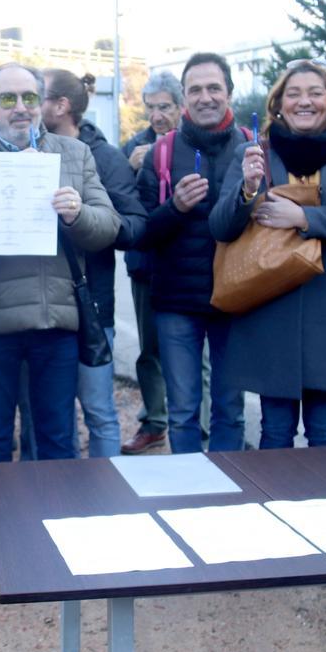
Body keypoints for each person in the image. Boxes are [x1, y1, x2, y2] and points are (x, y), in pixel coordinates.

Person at [0, 62, 120, 593]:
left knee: (57, 437)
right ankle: (1, 549)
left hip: (54, 318)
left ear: (43, 103)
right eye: (8, 99)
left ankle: (55, 542)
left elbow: (107, 226)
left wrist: (76, 211)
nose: (20, 109)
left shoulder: (74, 154)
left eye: (28, 98)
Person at [209, 60, 326, 448]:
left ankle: (324, 509)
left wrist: (305, 217)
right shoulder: (255, 152)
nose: (304, 101)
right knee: (274, 430)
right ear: (278, 104)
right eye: (294, 94)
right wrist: (247, 190)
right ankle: (275, 506)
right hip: (271, 309)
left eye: (315, 93)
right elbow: (220, 228)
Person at [137, 53, 248, 453]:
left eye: (214, 88)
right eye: (196, 89)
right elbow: (142, 232)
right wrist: (175, 208)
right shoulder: (161, 153)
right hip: (176, 303)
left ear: (230, 93)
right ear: (184, 97)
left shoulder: (252, 148)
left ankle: (230, 497)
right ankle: (187, 494)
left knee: (230, 410)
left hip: (236, 299)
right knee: (183, 411)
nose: (205, 97)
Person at [41, 68, 147, 457]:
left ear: (60, 105)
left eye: (38, 96)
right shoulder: (26, 153)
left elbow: (135, 225)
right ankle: (59, 493)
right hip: (43, 310)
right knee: (52, 416)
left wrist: (87, 221)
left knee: (99, 410)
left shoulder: (104, 158)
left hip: (92, 309)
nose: (28, 106)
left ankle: (109, 495)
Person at [120, 71, 183, 455]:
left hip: (188, 262)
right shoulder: (136, 146)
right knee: (150, 350)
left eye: (165, 107)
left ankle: (197, 429)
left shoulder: (189, 142)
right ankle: (155, 423)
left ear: (181, 107)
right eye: (152, 107)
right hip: (146, 262)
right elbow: (121, 204)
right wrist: (131, 167)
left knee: (196, 353)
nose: (158, 115)